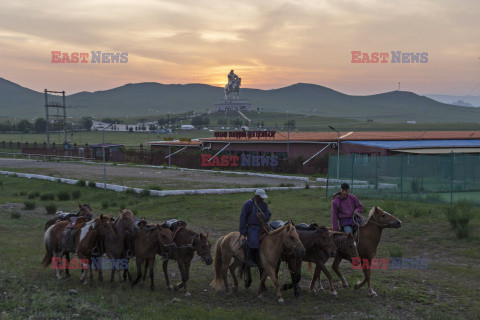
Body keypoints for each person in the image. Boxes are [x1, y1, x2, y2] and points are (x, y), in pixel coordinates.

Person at [239, 189, 271, 267]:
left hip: (262, 226)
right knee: (254, 241)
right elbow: (242, 218)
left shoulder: (264, 204)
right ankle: (249, 259)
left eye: (263, 198)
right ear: (256, 197)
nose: (263, 199)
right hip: (252, 227)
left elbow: (268, 215)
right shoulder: (248, 204)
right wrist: (243, 232)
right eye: (261, 198)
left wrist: (262, 215)